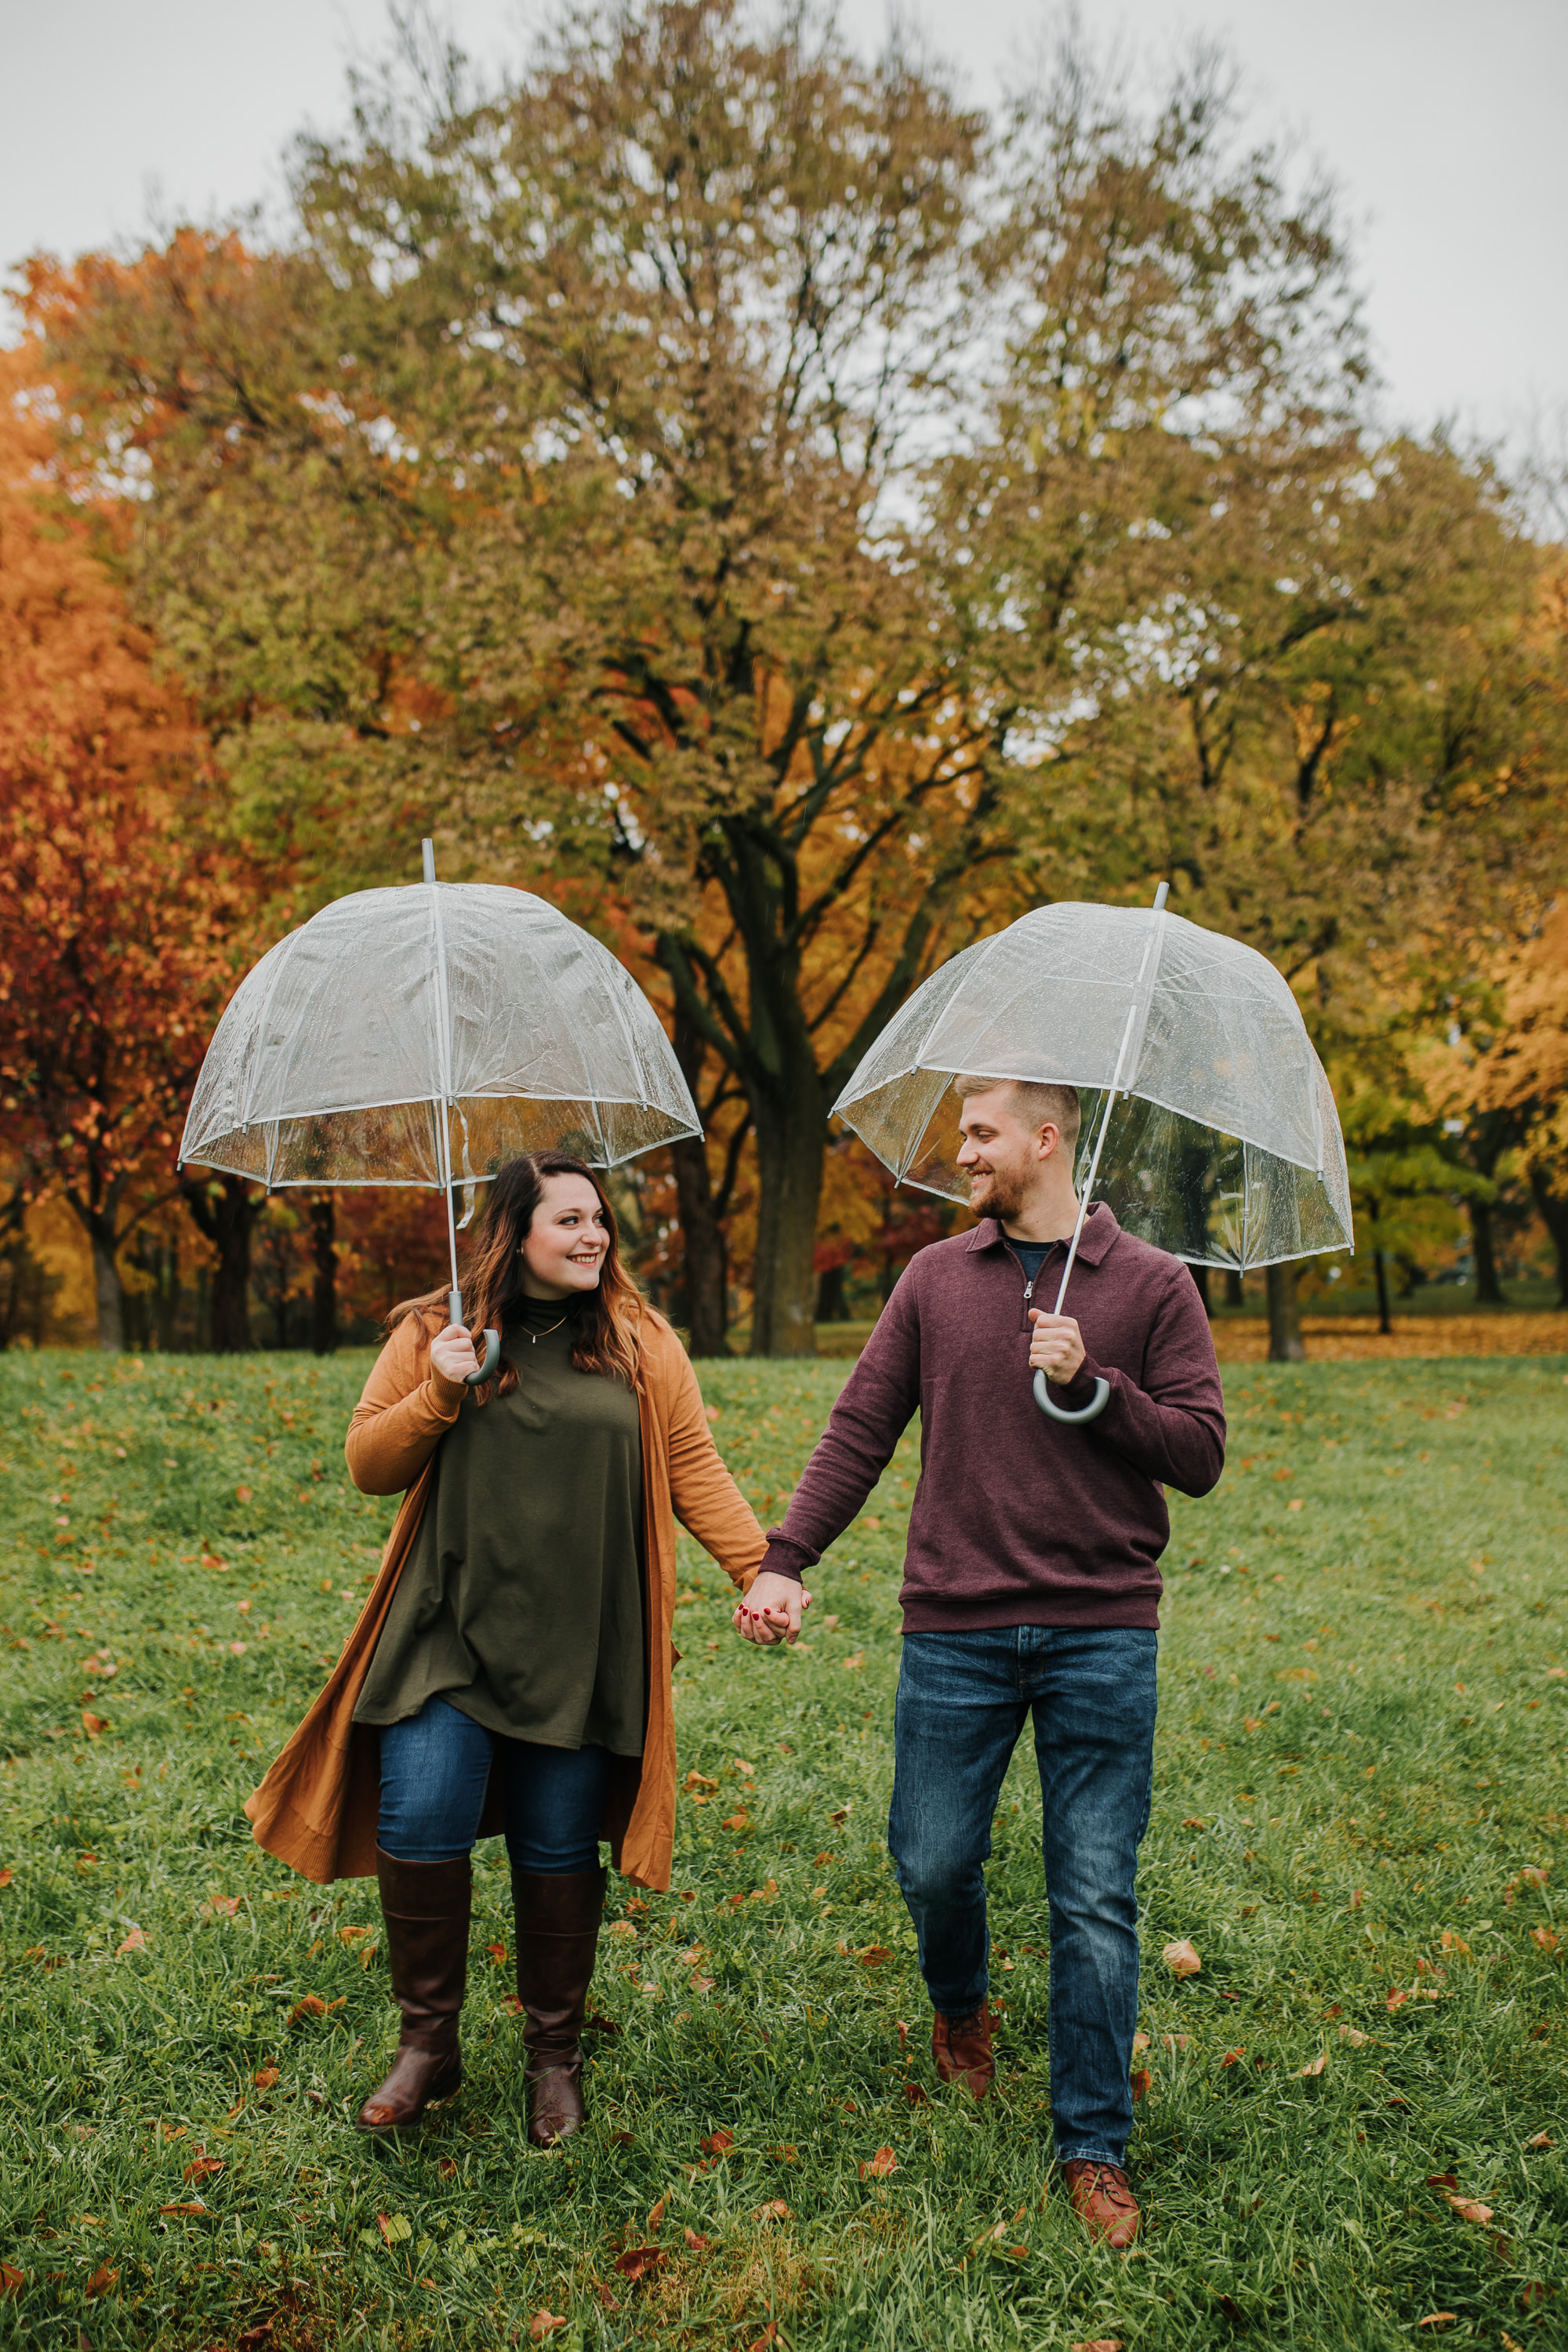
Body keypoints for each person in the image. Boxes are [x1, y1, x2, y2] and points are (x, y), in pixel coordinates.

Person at [735, 1077, 1225, 2251]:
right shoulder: (934, 1282)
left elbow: (1201, 1454)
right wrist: (785, 1557)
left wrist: (1093, 1387)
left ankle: (1092, 2144)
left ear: (1047, 1142)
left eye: (981, 1133)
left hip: (1102, 1630)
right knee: (932, 1861)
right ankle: (962, 2009)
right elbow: (860, 1427)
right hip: (953, 1626)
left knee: (1095, 1895)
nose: (962, 1153)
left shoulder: (1154, 1286)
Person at [245, 1150, 771, 2145]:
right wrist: (439, 1390)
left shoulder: (637, 1341)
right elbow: (367, 1463)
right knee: (422, 1813)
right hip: (449, 1635)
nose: (593, 1236)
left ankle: (553, 2057)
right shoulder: (435, 1334)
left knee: (559, 1849)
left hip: (584, 1643)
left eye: (599, 1220)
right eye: (568, 1220)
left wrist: (759, 1570)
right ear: (513, 1231)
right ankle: (428, 2043)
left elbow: (690, 1462)